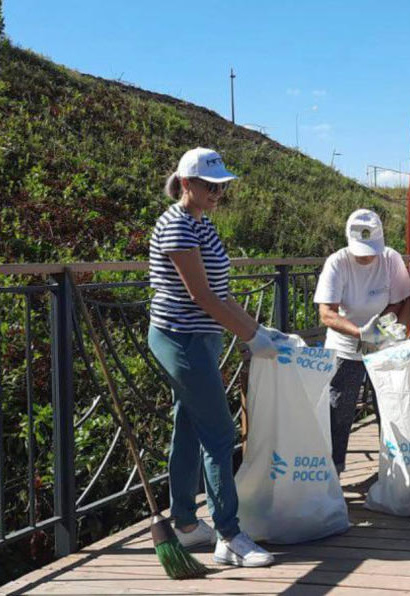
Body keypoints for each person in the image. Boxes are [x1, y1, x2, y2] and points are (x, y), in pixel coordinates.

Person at [148, 147, 281, 567]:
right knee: (220, 434)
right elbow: (201, 295)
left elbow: (221, 292)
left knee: (189, 427)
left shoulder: (200, 223)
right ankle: (228, 535)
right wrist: (251, 336)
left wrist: (259, 331)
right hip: (180, 338)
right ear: (186, 183)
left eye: (221, 186)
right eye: (210, 185)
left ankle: (187, 525)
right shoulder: (177, 226)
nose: (217, 193)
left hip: (201, 337)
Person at [313, 209, 410, 475]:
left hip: (383, 343)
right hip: (345, 345)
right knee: (338, 408)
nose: (366, 256)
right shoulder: (337, 262)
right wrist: (359, 333)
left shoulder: (390, 259)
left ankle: (392, 468)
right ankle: (333, 470)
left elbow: (400, 301)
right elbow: (327, 313)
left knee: (389, 406)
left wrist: (383, 332)